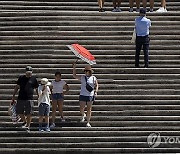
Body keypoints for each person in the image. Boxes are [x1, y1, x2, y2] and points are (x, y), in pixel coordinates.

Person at [12, 66, 39, 131]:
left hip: (29, 98)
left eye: (30, 72)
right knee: (19, 111)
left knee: (29, 113)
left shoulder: (33, 79)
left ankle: (28, 126)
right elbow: (17, 87)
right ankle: (25, 121)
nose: (29, 74)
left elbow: (36, 88)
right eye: (28, 72)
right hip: (21, 97)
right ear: (25, 72)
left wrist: (38, 95)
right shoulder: (21, 78)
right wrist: (13, 95)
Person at [73, 63, 99, 127]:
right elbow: (74, 75)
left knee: (89, 109)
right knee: (81, 108)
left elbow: (97, 84)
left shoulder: (93, 78)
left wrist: (96, 91)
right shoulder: (82, 77)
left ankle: (88, 122)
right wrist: (74, 68)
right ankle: (83, 114)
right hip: (83, 94)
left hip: (90, 94)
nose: (86, 72)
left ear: (90, 72)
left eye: (87, 71)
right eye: (85, 71)